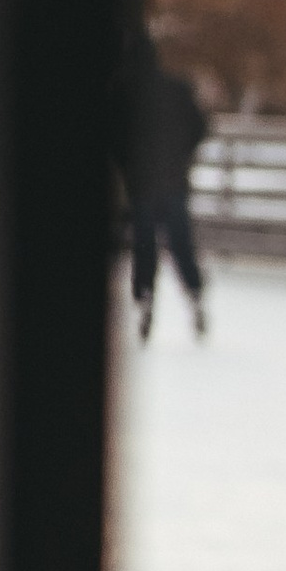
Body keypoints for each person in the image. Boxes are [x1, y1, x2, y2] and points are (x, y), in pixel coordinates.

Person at [125, 28, 209, 343]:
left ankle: (145, 298)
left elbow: (117, 138)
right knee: (180, 242)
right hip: (173, 181)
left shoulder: (127, 93)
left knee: (145, 245)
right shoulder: (178, 90)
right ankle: (194, 293)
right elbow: (200, 126)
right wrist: (182, 158)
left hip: (143, 185)